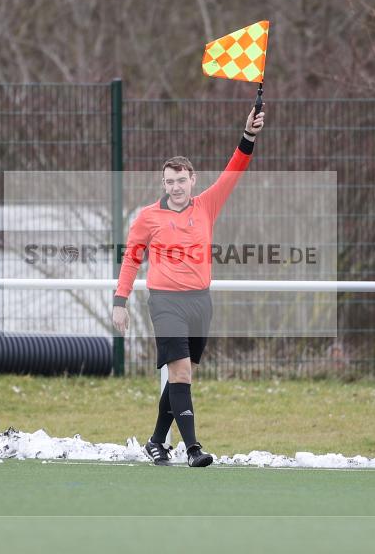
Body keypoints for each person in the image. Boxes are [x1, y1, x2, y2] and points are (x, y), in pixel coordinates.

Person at [111, 105, 266, 467]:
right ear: (162, 184)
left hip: (200, 303)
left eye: (181, 180)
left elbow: (235, 169)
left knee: (182, 376)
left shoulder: (207, 205)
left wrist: (249, 134)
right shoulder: (148, 217)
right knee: (180, 373)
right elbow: (131, 259)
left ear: (192, 180)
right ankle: (193, 449)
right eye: (169, 182)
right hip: (165, 303)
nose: (175, 187)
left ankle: (155, 442)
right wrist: (120, 301)